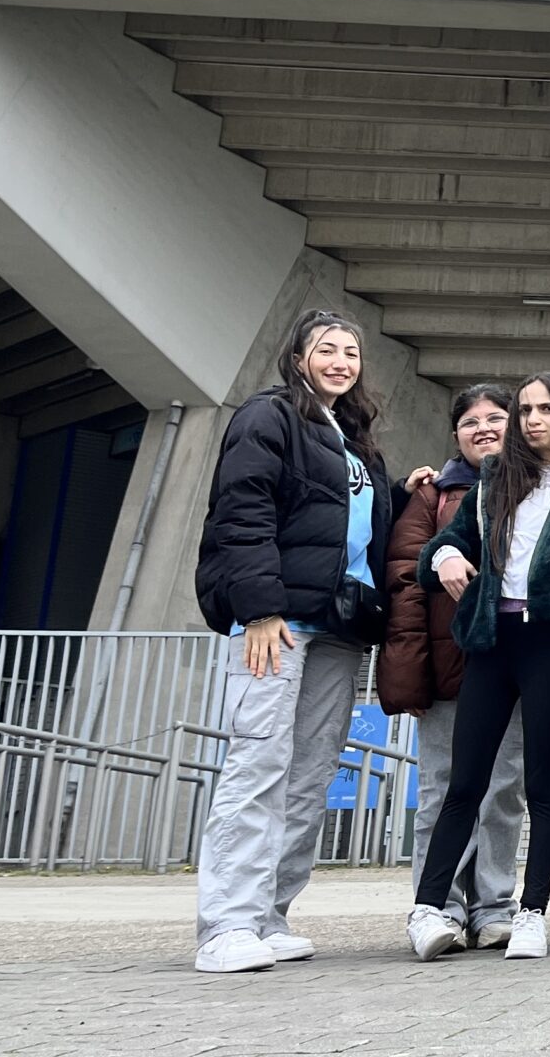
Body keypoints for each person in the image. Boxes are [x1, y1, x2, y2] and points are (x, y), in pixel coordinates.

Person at [406, 372, 550, 962]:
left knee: (541, 783)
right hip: (490, 639)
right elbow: (438, 549)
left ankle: (530, 912)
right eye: (526, 409)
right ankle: (428, 909)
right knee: (464, 782)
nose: (532, 419)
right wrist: (451, 554)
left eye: (545, 409)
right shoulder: (494, 479)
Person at [191, 310, 395, 974]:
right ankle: (226, 925)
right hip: (277, 623)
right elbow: (242, 509)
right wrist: (257, 610)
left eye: (351, 352)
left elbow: (350, 520)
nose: (341, 361)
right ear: (298, 356)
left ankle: (270, 914)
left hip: (338, 626)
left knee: (308, 774)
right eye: (327, 349)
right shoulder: (268, 415)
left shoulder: (353, 438)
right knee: (258, 765)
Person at [380, 383, 526, 953]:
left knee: (503, 789)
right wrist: (409, 673)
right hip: (446, 671)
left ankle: (493, 907)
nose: (484, 428)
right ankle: (437, 905)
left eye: (497, 417)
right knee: (442, 789)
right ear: (455, 434)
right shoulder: (431, 495)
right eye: (471, 421)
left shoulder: (535, 487)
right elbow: (404, 583)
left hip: (511, 666)